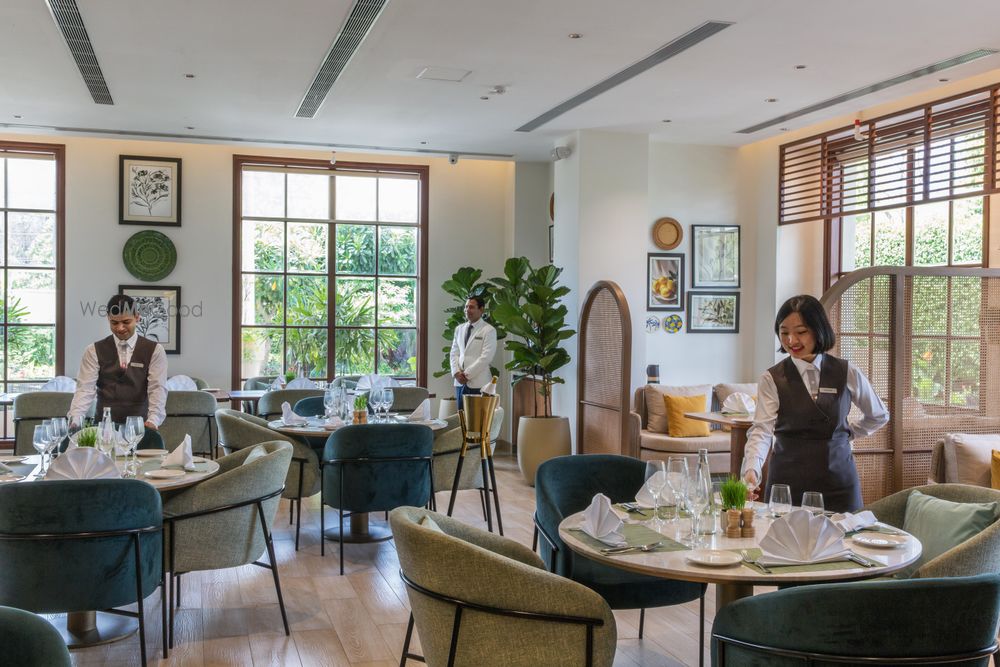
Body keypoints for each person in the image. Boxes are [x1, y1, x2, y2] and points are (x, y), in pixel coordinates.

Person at [741, 295, 888, 513]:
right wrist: (752, 470)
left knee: (845, 534)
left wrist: (848, 433)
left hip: (839, 482)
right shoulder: (772, 378)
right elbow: (762, 430)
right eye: (784, 332)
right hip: (787, 484)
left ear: (818, 330)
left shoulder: (847, 372)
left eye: (801, 332)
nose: (791, 340)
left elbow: (878, 415)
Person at [68, 294, 167, 431]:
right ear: (108, 319)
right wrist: (75, 419)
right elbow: (85, 389)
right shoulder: (93, 351)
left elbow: (157, 389)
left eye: (126, 322)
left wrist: (154, 419)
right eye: (114, 323)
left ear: (137, 317)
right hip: (103, 427)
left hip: (141, 427)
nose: (120, 328)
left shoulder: (155, 350)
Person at [449, 295, 497, 410]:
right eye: (466, 307)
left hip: (479, 384)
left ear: (481, 309)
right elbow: (454, 353)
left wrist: (466, 374)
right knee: (461, 417)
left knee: (478, 419)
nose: (467, 310)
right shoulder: (459, 329)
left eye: (471, 307)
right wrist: (456, 373)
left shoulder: (489, 330)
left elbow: (486, 357)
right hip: (460, 383)